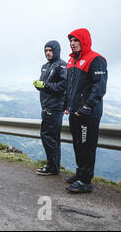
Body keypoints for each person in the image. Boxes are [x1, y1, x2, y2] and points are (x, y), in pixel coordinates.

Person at [63, 28, 107, 193]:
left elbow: (99, 87)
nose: (72, 44)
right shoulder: (71, 61)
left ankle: (86, 181)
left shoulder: (96, 60)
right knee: (77, 144)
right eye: (71, 41)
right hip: (74, 112)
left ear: (84, 40)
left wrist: (87, 107)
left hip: (88, 114)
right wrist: (67, 105)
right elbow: (70, 87)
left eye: (76, 40)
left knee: (87, 146)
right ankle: (80, 174)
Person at [33, 40, 67, 176]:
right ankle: (53, 166)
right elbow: (46, 84)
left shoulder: (62, 65)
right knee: (50, 136)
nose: (48, 53)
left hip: (55, 107)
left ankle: (52, 167)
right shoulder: (45, 66)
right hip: (46, 105)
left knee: (48, 136)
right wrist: (39, 85)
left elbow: (63, 86)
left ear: (56, 50)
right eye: (46, 50)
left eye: (50, 50)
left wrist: (45, 85)